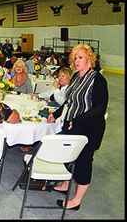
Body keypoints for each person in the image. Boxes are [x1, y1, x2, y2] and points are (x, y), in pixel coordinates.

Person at [48, 44, 108, 210]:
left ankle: (76, 201)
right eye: (74, 57)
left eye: (80, 57)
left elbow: (100, 107)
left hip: (89, 129)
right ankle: (66, 184)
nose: (76, 61)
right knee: (67, 155)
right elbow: (70, 101)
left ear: (89, 59)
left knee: (83, 162)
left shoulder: (97, 79)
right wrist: (57, 114)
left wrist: (79, 120)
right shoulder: (75, 77)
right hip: (72, 125)